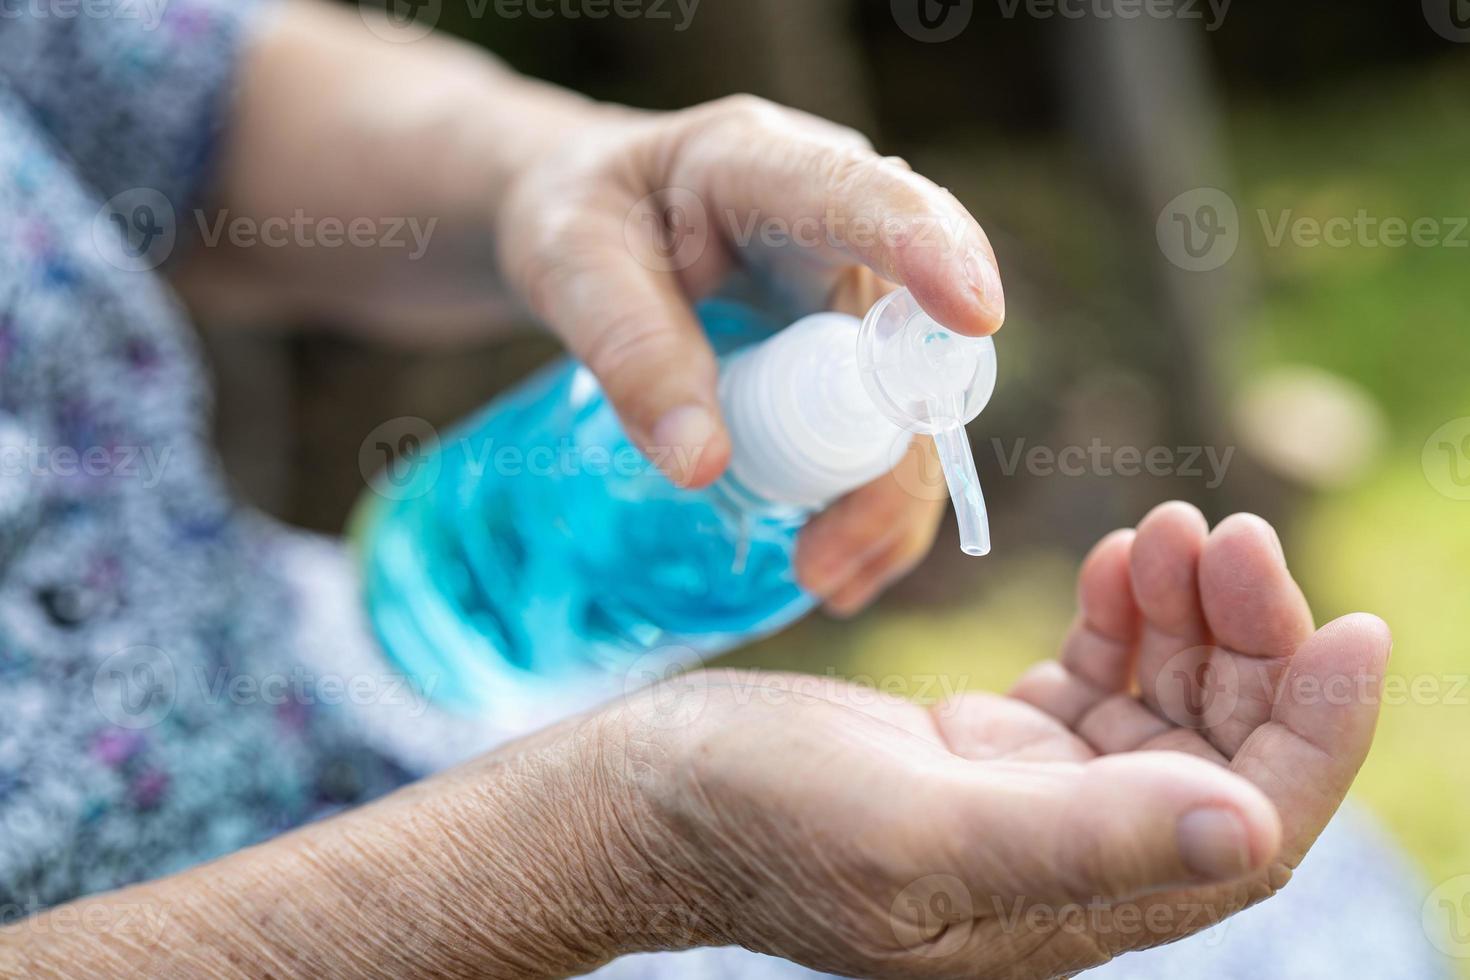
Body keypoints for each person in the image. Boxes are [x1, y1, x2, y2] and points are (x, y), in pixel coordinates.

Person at [0, 1, 1441, 977]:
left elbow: (178, 87)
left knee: (1304, 917)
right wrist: (605, 850)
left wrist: (559, 167)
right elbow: (615, 827)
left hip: (342, 662)